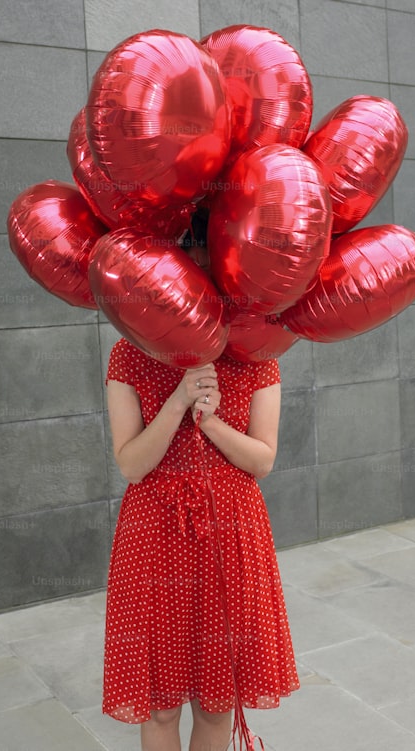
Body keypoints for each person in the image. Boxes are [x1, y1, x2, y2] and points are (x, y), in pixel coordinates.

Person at [102, 299, 300, 749]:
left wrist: (209, 421)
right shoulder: (130, 352)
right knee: (160, 707)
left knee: (215, 704)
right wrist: (178, 403)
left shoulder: (257, 352)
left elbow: (262, 459)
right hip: (154, 532)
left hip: (231, 532)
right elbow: (131, 464)